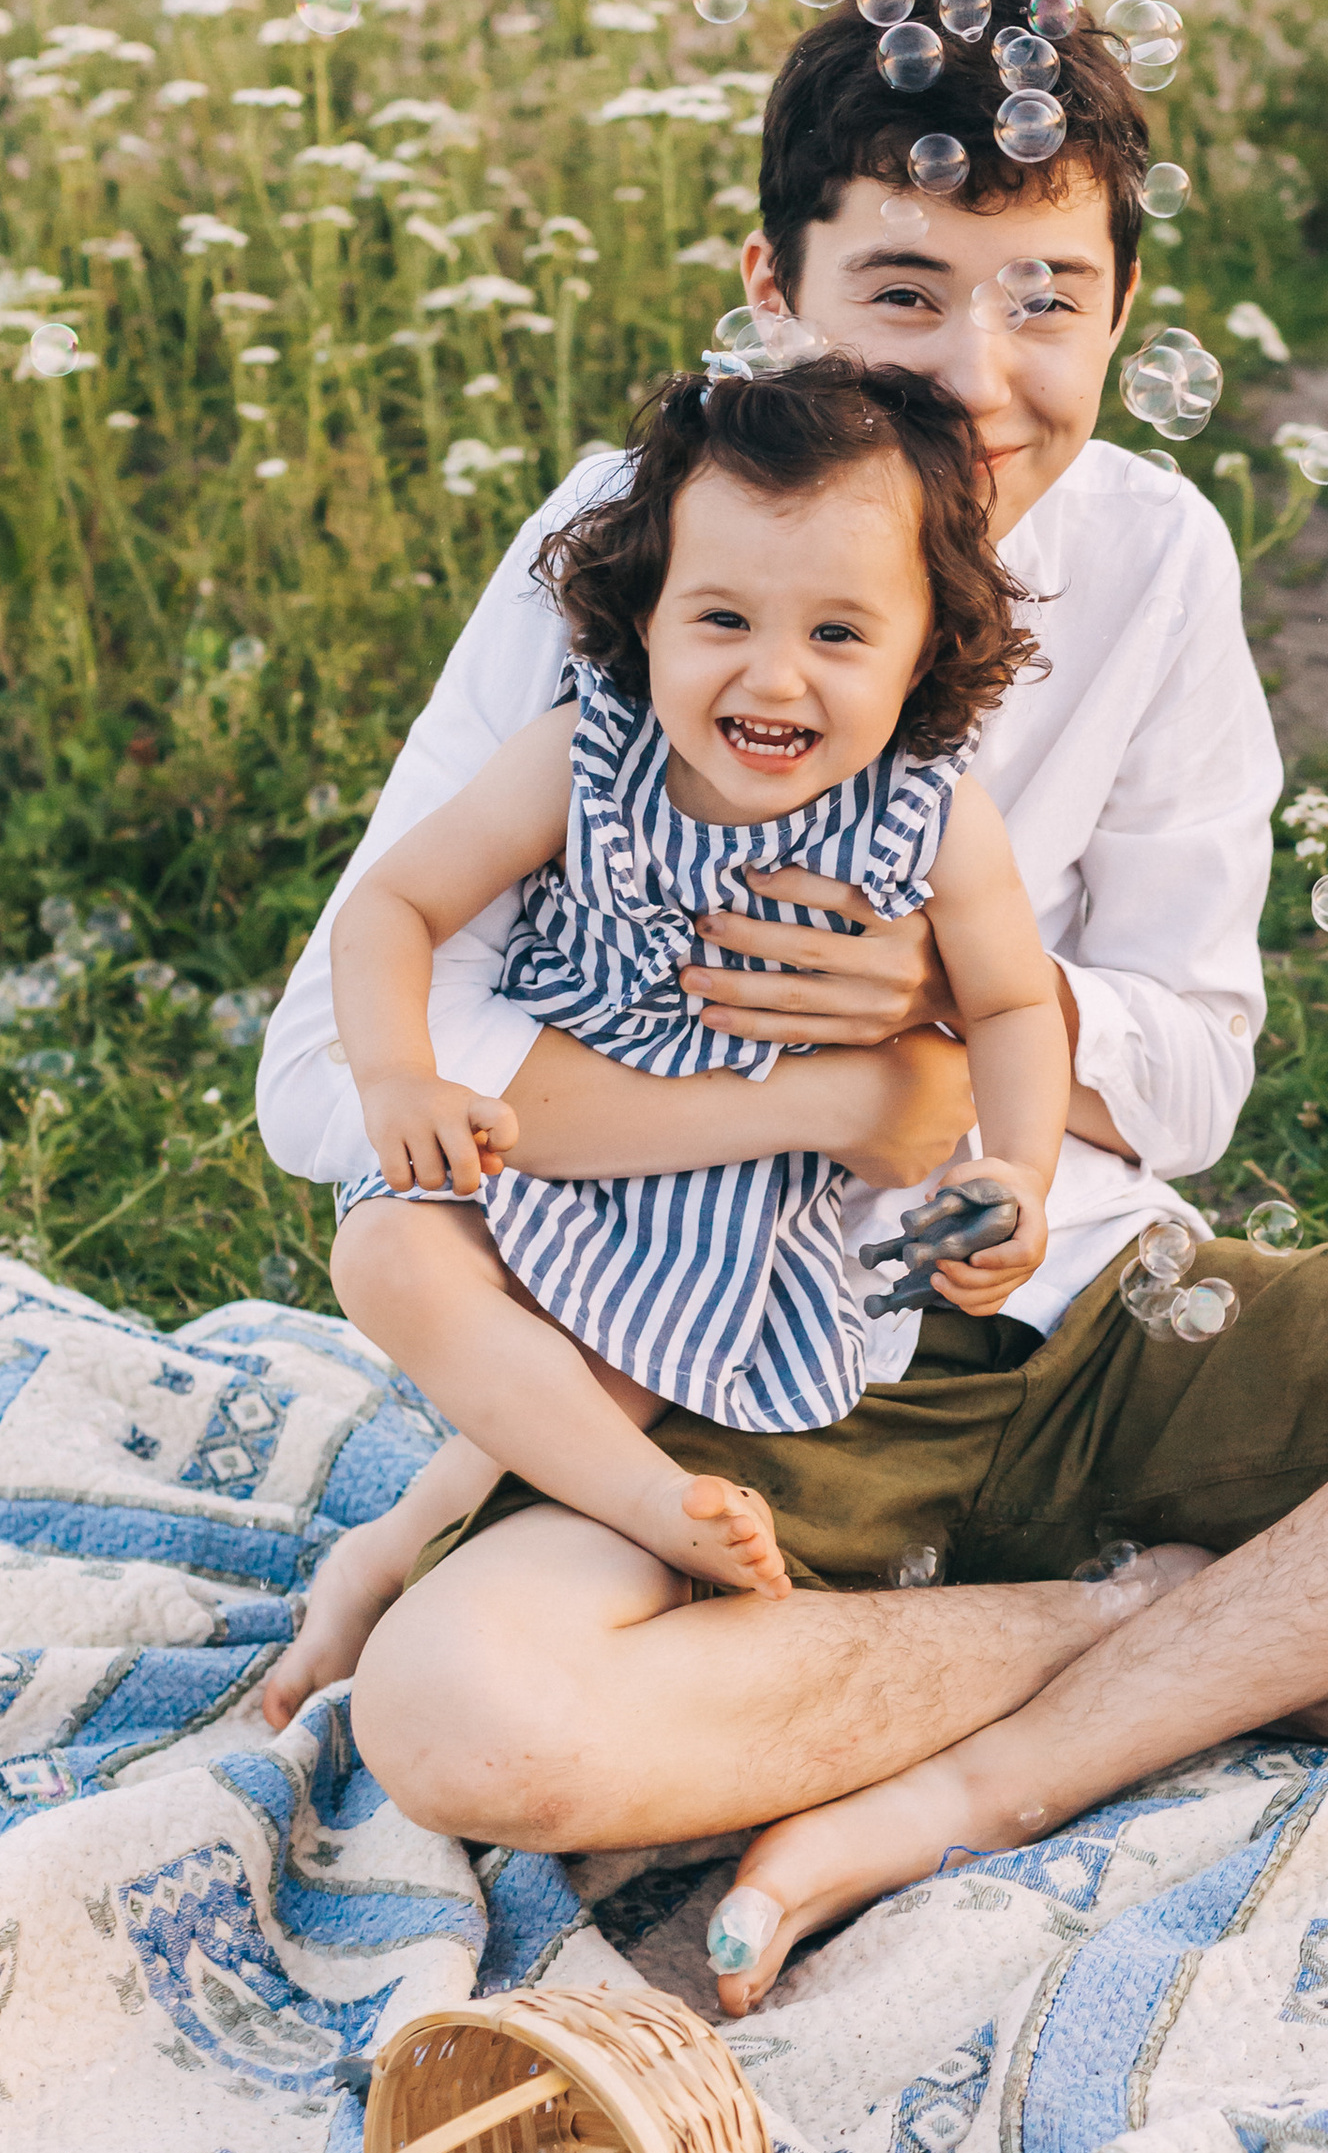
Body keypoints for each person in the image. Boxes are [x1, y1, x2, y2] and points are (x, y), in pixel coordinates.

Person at [256, 0, 1328, 2007]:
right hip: (725, 1376)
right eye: (901, 292)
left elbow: (1196, 1058)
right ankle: (1179, 1634)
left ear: (1120, 311)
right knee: (464, 1722)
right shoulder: (635, 562)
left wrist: (980, 1024)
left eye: (1044, 299)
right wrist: (830, 1106)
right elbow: (329, 1076)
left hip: (1085, 1313)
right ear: (768, 288)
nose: (978, 375)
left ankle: (986, 1774)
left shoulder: (1153, 561)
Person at [325, 355, 1071, 1605]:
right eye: (721, 619)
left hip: (722, 1211)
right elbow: (392, 906)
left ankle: (406, 1549)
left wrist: (1019, 1171)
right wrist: (402, 1074)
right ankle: (629, 1504)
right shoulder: (584, 754)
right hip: (544, 1141)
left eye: (838, 633)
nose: (774, 677)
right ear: (648, 613)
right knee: (387, 1258)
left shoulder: (934, 819)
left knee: (617, 1372)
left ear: (925, 647)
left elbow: (1010, 1003)